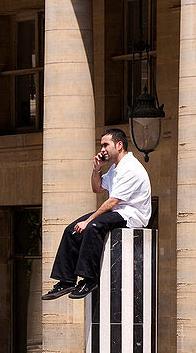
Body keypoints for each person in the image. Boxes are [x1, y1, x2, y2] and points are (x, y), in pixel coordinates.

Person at [42, 129, 152, 301]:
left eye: (105, 145)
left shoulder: (131, 167)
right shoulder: (116, 168)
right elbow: (97, 188)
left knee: (93, 227)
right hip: (118, 211)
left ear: (119, 145)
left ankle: (89, 280)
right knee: (71, 230)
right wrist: (96, 168)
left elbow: (113, 202)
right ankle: (66, 280)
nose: (102, 149)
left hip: (132, 215)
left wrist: (88, 220)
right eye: (101, 145)